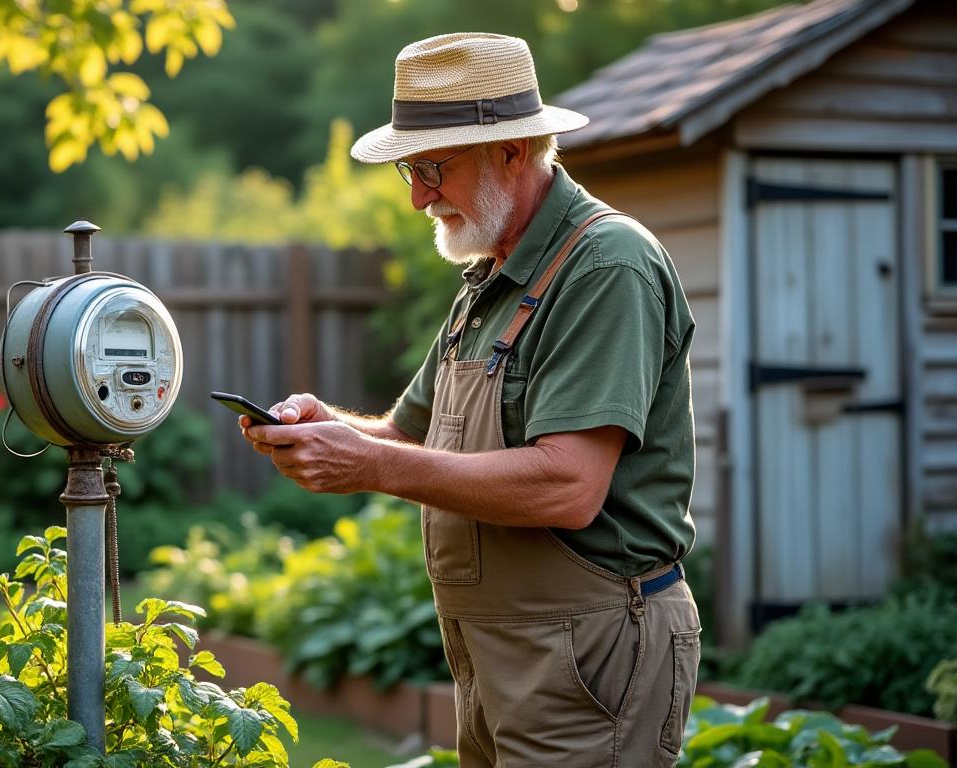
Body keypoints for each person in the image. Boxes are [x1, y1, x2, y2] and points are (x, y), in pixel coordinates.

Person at [239, 33, 701, 767]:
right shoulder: (493, 276)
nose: (419, 196)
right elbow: (407, 435)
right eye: (410, 170)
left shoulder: (607, 266)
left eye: (433, 168)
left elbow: (569, 485)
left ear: (512, 152)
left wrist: (369, 465)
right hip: (500, 651)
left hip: (592, 651)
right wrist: (328, 428)